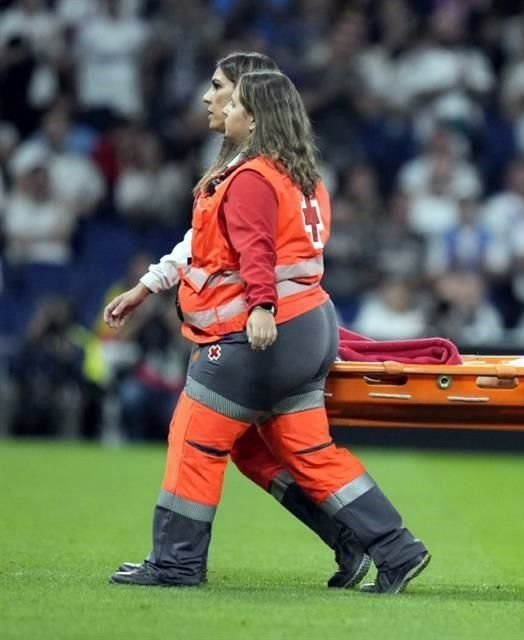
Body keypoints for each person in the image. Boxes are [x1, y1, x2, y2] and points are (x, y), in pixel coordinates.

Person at [108, 64, 429, 593]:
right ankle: (392, 547)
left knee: (193, 438)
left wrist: (260, 306)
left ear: (256, 118)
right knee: (302, 451)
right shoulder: (302, 176)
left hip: (266, 330)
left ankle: (176, 564)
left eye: (229, 98)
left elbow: (256, 250)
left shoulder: (251, 176)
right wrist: (151, 285)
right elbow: (228, 242)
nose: (219, 104)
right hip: (310, 321)